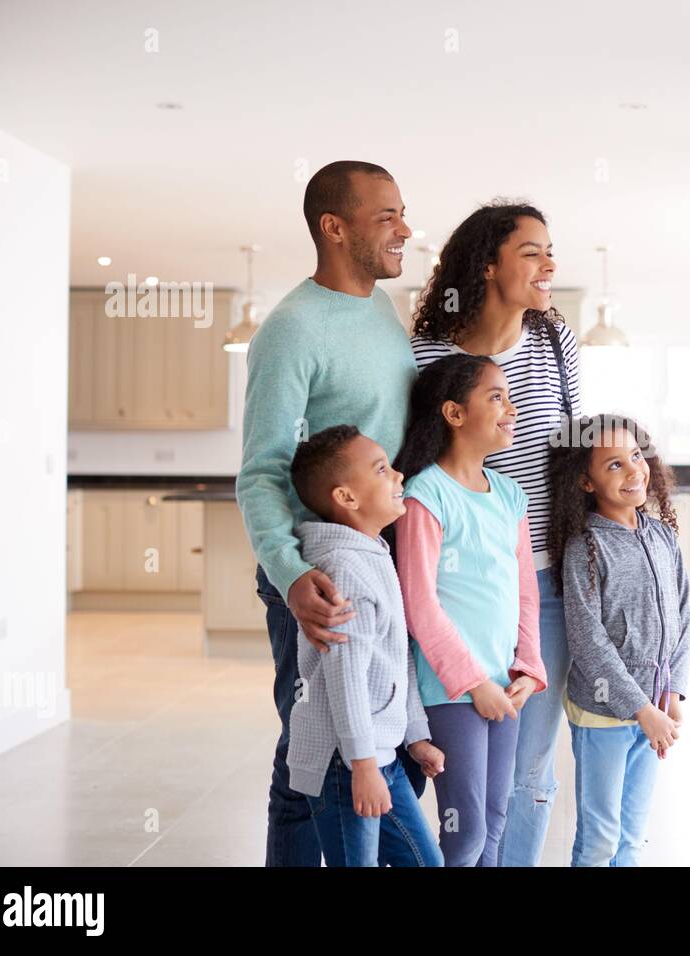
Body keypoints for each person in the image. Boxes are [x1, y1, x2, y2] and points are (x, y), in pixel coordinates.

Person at [236, 160, 416, 866]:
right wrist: (290, 575)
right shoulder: (290, 329)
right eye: (387, 216)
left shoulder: (378, 307)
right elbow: (261, 470)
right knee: (310, 752)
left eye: (403, 212)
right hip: (321, 576)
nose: (404, 229)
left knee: (360, 737)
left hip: (378, 557)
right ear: (333, 227)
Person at [411, 201, 580, 866]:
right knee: (462, 783)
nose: (549, 265)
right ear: (488, 266)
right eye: (532, 252)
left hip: (547, 580)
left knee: (528, 771)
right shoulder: (426, 355)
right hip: (462, 590)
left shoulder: (555, 344)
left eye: (550, 250)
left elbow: (569, 449)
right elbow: (422, 461)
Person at [393, 354, 548, 866]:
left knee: (496, 819)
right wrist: (473, 682)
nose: (512, 407)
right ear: (454, 414)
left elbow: (526, 592)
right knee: (466, 830)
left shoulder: (510, 495)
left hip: (506, 685)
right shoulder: (425, 494)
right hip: (453, 690)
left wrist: (528, 667)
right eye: (496, 397)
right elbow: (420, 605)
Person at [285, 425, 444, 867]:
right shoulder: (345, 569)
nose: (397, 476)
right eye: (381, 469)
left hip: (379, 756)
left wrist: (416, 736)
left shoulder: (373, 553)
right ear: (347, 497)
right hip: (346, 763)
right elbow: (345, 679)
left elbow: (398, 658)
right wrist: (363, 765)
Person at [547, 414, 690, 867]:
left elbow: (683, 615)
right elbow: (589, 641)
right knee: (600, 840)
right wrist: (641, 709)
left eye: (636, 456)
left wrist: (673, 691)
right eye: (614, 465)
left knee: (633, 838)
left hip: (654, 709)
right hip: (604, 715)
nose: (634, 471)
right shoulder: (585, 546)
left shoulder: (663, 536)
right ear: (586, 483)